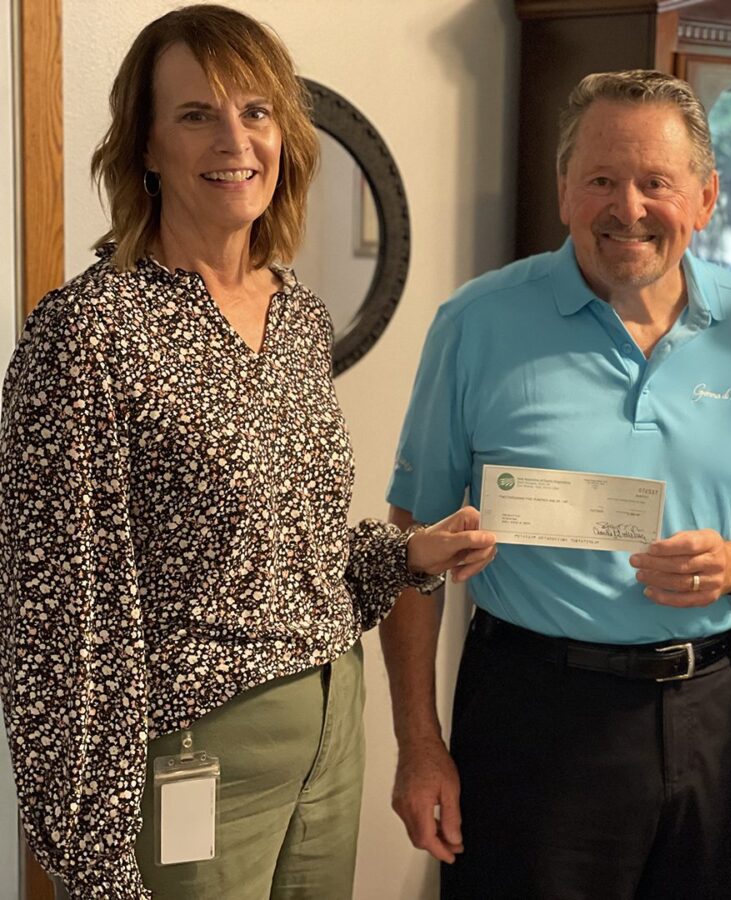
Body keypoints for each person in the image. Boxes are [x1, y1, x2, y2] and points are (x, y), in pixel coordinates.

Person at [0, 6, 495, 899]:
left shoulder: (298, 312)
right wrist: (91, 856)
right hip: (193, 748)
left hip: (333, 726)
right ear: (145, 147)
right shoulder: (88, 332)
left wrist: (407, 554)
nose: (235, 138)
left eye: (256, 111)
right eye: (197, 114)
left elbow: (284, 541)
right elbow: (51, 624)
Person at [382, 70, 731, 899]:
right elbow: (408, 550)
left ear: (704, 197)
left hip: (717, 716)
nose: (628, 208)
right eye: (601, 180)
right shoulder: (475, 324)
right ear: (563, 192)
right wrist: (419, 745)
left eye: (656, 182)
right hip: (533, 717)